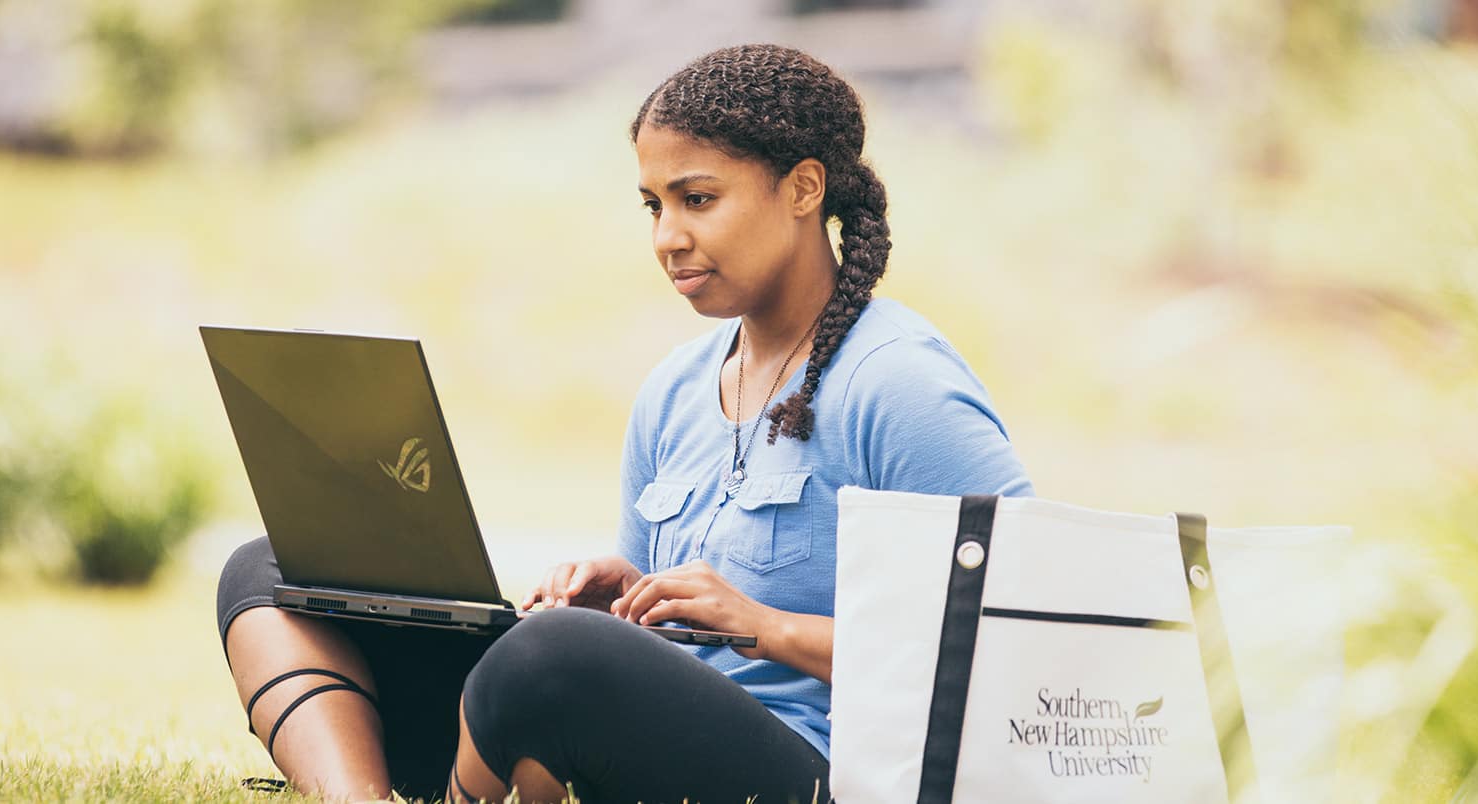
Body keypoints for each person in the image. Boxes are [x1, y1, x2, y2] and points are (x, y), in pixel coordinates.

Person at [213, 43, 1033, 803]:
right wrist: (611, 602)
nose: (668, 238)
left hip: (810, 769)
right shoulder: (674, 390)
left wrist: (767, 628)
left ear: (803, 189)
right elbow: (647, 650)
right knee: (277, 566)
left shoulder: (899, 383)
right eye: (652, 205)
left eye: (698, 200)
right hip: (616, 734)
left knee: (552, 659)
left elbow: (1015, 653)